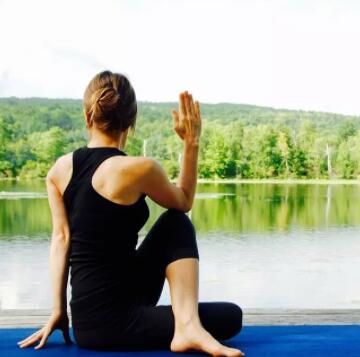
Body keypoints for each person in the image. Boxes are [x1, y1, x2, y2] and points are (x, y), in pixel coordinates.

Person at [16, 70, 245, 357]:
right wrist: (191, 143)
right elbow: (184, 201)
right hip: (116, 324)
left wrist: (59, 311)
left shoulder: (58, 171)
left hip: (86, 325)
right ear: (131, 122)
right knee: (229, 314)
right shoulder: (140, 169)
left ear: (88, 117)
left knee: (174, 224)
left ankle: (187, 324)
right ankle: (187, 325)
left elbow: (61, 241)